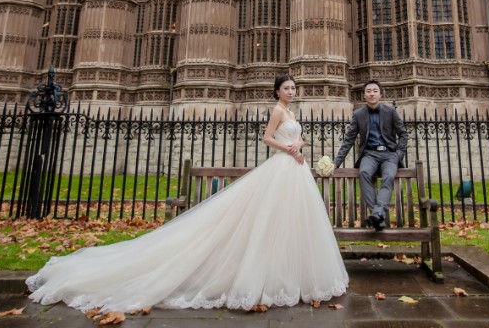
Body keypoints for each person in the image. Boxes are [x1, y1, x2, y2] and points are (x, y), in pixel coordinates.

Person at [26, 74, 348, 312]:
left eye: (293, 88)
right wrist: (288, 149)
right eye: (287, 88)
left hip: (295, 170)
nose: (291, 91)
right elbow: (267, 138)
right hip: (282, 168)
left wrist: (299, 146)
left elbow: (296, 138)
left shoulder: (292, 113)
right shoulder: (278, 111)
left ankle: (288, 276)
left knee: (290, 224)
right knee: (269, 221)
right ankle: (269, 276)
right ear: (277, 91)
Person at [332, 79, 408, 231]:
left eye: (375, 91)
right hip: (369, 154)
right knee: (364, 172)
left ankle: (376, 215)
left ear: (380, 94)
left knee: (388, 177)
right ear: (364, 95)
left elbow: (403, 134)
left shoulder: (390, 112)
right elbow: (349, 139)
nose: (372, 94)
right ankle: (378, 216)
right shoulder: (358, 114)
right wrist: (336, 162)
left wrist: (398, 155)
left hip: (389, 154)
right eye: (369, 91)